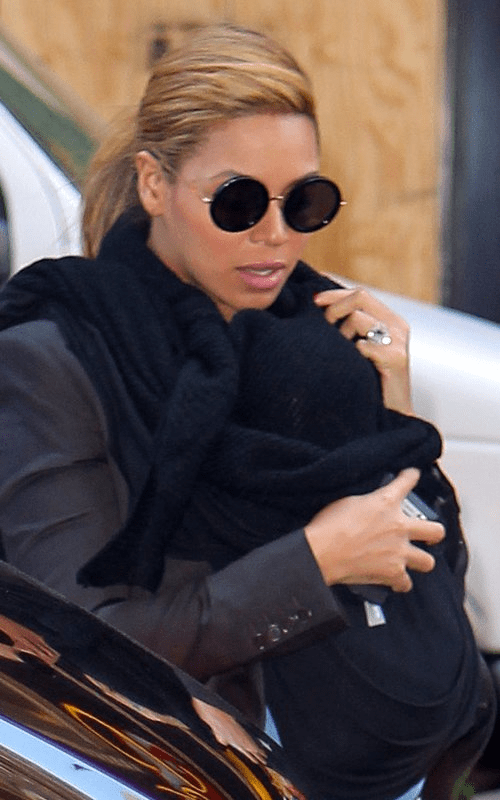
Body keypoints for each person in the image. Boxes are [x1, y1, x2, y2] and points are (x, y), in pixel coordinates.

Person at [0, 22, 494, 800]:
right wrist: (315, 561)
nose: (276, 235)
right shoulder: (56, 358)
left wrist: (391, 412)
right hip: (207, 772)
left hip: (393, 766)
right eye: (237, 201)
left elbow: (426, 560)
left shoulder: (315, 335)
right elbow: (74, 636)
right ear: (153, 183)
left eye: (304, 201)